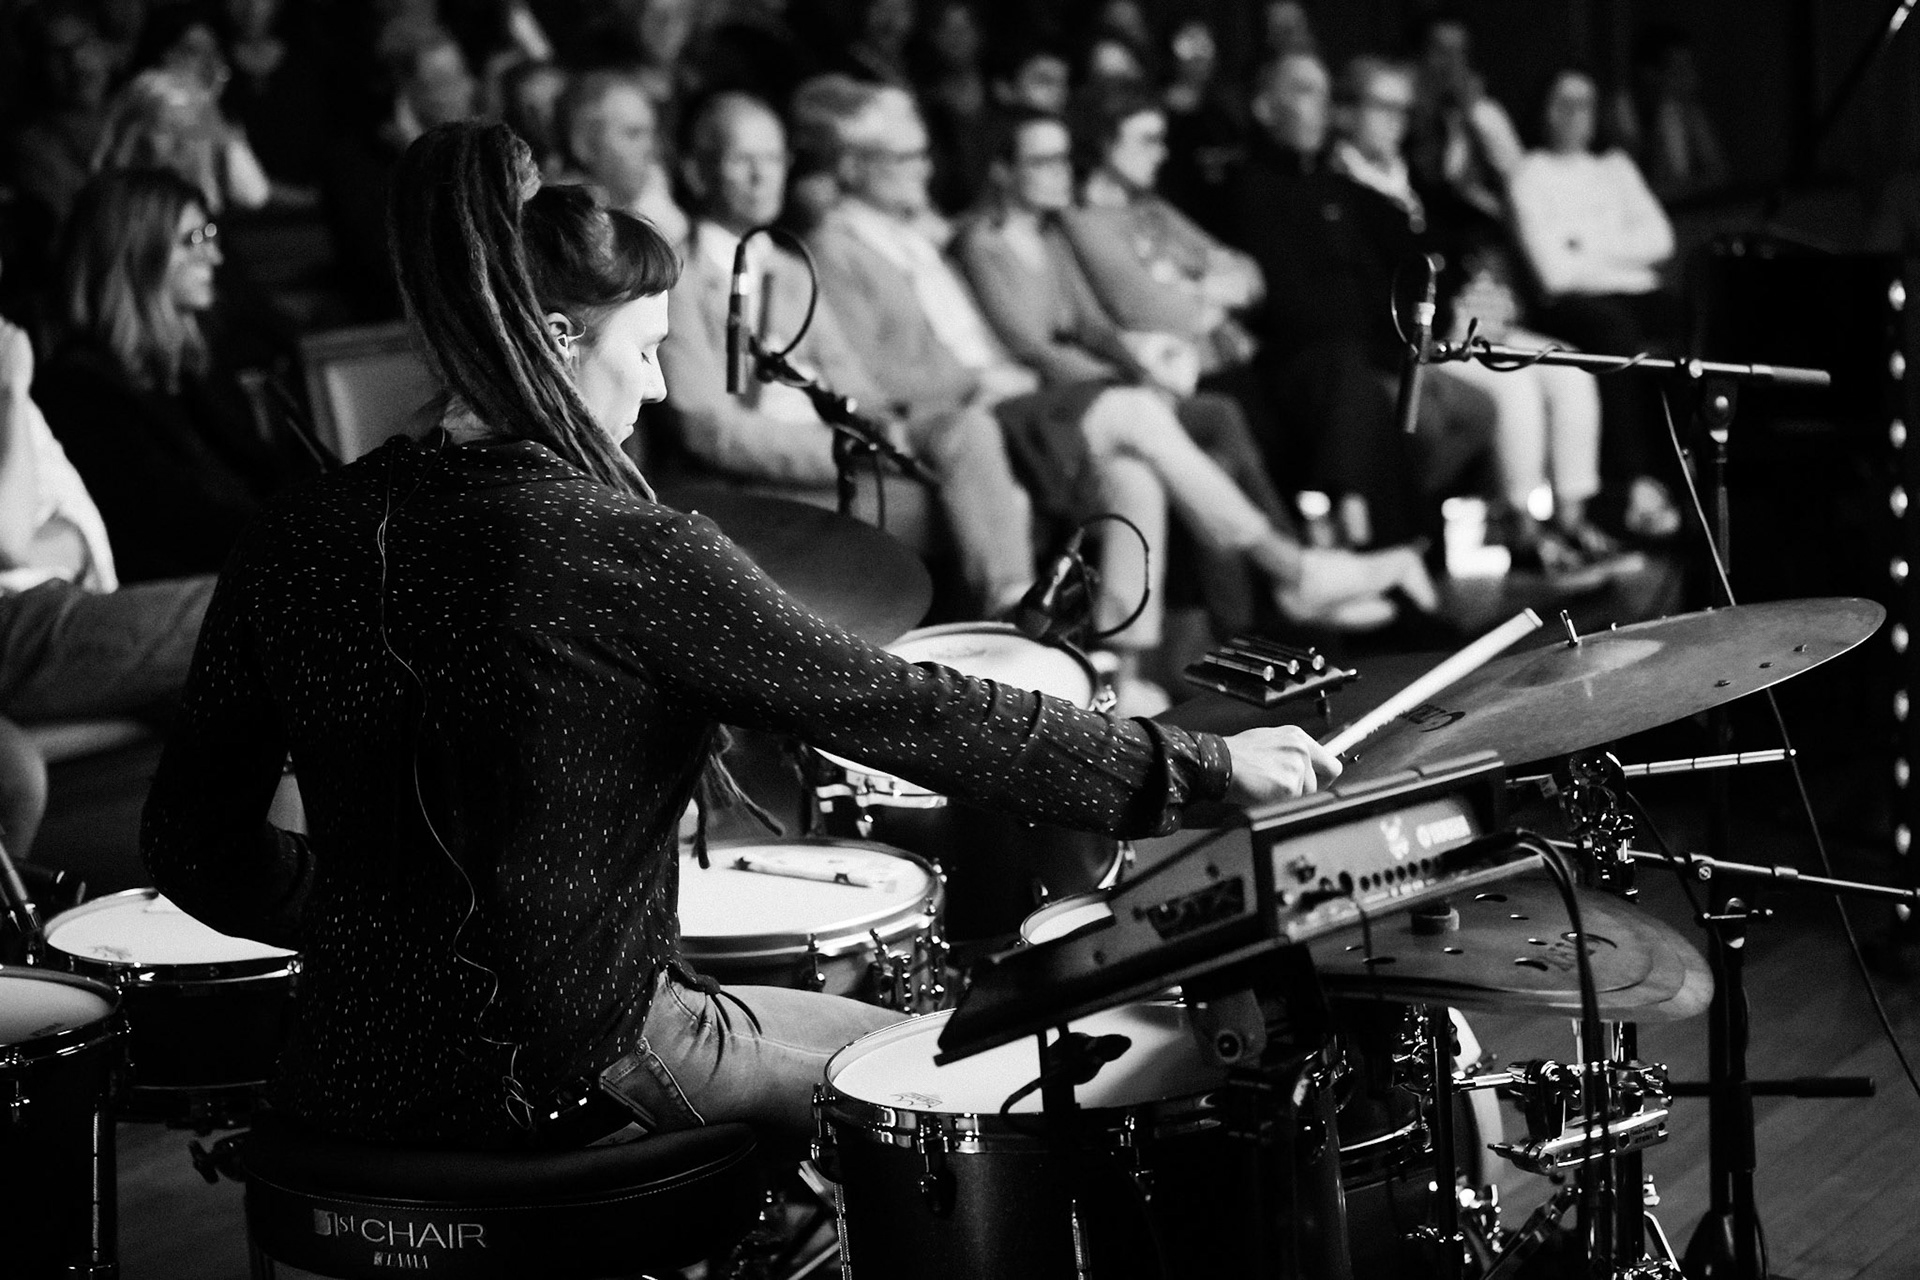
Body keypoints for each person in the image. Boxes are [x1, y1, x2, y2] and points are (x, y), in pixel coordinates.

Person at [140, 120, 1340, 1150]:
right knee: (968, 1096)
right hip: (568, 1070)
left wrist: (376, 930)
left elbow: (193, 843)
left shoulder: (293, 532)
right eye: (648, 349)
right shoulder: (612, 546)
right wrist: (1195, 765)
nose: (659, 390)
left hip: (342, 1068)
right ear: (560, 340)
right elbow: (906, 707)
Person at [663, 92, 1038, 618]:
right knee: (990, 509)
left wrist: (884, 429)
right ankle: (1003, 631)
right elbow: (710, 430)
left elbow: (853, 385)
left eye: (773, 159)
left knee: (968, 430)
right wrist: (844, 446)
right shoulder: (678, 278)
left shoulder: (792, 271)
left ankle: (1014, 616)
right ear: (699, 173)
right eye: (741, 160)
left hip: (845, 454)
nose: (761, 176)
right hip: (761, 481)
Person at [1227, 51, 1493, 550]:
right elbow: (1286, 304)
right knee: (1385, 401)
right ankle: (1372, 536)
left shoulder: (1331, 186)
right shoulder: (1250, 187)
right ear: (1264, 106)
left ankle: (1392, 535)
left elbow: (1375, 284)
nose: (1320, 107)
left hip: (1372, 352)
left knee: (1476, 408)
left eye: (1325, 94)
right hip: (1304, 361)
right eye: (1304, 91)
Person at [35, 169, 312, 581]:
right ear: (133, 257)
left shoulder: (191, 368)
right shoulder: (79, 392)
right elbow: (174, 527)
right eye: (192, 240)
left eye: (211, 234)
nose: (215, 257)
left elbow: (265, 479)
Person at [1508, 67, 1681, 541]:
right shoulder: (1530, 175)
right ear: (1543, 110)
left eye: (1585, 103)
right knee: (1614, 335)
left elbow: (1661, 241)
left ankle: (1690, 478)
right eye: (1563, 103)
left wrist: (1583, 245)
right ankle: (1632, 488)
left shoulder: (1615, 168)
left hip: (1636, 294)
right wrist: (1615, 250)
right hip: (1570, 304)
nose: (1575, 116)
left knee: (1696, 322)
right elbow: (1554, 273)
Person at [553, 69, 689, 250]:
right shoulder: (559, 227)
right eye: (633, 135)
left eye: (651, 134)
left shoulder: (651, 196)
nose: (651, 149)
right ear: (584, 144)